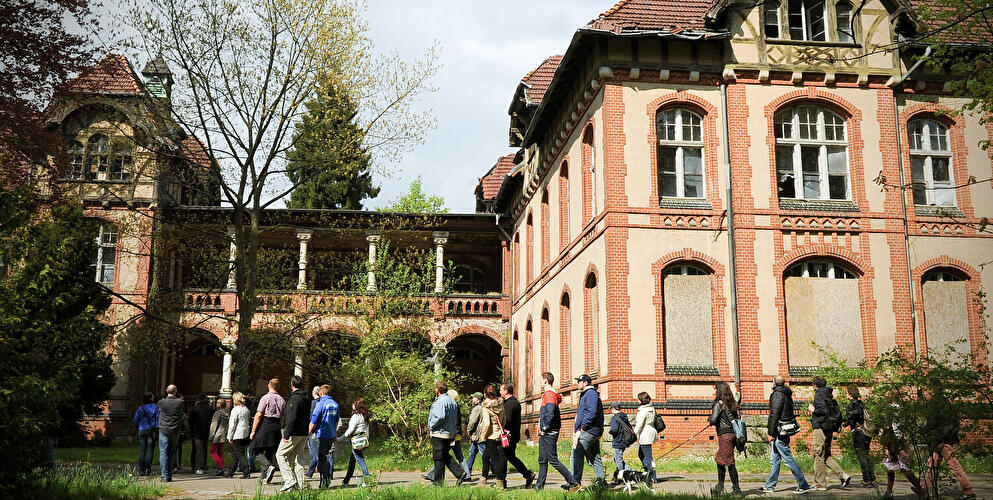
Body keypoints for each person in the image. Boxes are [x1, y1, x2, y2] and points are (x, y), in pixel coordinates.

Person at [760, 375, 811, 494]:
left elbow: (775, 414)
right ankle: (769, 486)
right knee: (775, 459)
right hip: (784, 429)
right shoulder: (787, 393)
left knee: (787, 458)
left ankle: (803, 484)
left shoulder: (777, 395)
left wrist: (770, 432)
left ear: (774, 383)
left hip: (779, 431)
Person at [922, 386, 975, 500]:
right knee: (932, 464)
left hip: (942, 440)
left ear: (933, 390)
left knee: (953, 465)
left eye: (927, 389)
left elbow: (933, 422)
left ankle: (968, 491)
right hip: (941, 439)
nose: (925, 392)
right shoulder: (945, 402)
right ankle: (923, 489)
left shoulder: (936, 403)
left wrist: (923, 430)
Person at [534, 372, 581, 492]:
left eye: (541, 380)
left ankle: (574, 483)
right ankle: (539, 488)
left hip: (549, 433)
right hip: (545, 432)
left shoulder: (550, 395)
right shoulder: (548, 394)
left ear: (545, 381)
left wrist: (545, 428)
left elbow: (550, 414)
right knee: (542, 460)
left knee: (553, 460)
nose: (540, 382)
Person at [808, 376, 852, 490]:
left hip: (820, 428)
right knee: (826, 455)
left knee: (818, 455)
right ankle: (843, 475)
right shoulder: (828, 394)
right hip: (829, 427)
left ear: (815, 385)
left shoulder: (818, 394)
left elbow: (823, 410)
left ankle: (820, 484)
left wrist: (813, 410)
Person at [427, 381, 469, 486]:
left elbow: (440, 416)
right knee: (444, 456)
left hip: (439, 433)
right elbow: (456, 419)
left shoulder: (441, 401)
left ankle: (438, 483)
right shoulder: (452, 402)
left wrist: (431, 425)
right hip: (450, 433)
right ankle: (460, 473)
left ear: (438, 390)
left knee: (438, 458)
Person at [880, 395, 922, 498]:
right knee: (903, 467)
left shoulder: (890, 408)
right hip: (902, 439)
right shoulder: (903, 409)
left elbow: (888, 426)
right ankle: (920, 490)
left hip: (893, 440)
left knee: (893, 467)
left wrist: (885, 440)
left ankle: (889, 493)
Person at [276, 375, 311, 492]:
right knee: (299, 459)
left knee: (280, 454)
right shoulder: (306, 397)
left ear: (292, 384)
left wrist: (286, 434)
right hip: (303, 432)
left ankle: (289, 480)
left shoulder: (295, 398)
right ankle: (301, 485)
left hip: (294, 432)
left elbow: (291, 417)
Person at [708, 382, 741, 496]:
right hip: (733, 434)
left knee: (729, 462)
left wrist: (710, 419)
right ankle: (720, 486)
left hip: (725, 436)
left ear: (719, 391)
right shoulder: (731, 403)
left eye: (716, 389)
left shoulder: (719, 404)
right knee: (720, 460)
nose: (715, 392)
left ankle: (736, 490)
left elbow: (713, 419)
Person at [570, 374, 605, 485]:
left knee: (576, 454)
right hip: (593, 430)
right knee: (595, 457)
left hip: (589, 430)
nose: (577, 383)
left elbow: (592, 412)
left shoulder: (590, 394)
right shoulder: (588, 394)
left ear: (585, 383)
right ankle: (601, 483)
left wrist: (583, 427)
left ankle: (575, 483)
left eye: (579, 381)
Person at [501, 383, 535, 487]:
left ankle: (502, 482)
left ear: (506, 391)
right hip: (513, 435)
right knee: (511, 457)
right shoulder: (514, 402)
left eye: (501, 390)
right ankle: (528, 474)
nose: (500, 392)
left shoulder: (509, 404)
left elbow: (507, 420)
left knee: (503, 457)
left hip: (508, 436)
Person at [250, 378, 284, 484]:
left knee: (254, 449)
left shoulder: (265, 398)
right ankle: (264, 478)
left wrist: (253, 431)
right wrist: (279, 427)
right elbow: (283, 417)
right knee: (269, 452)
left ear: (269, 385)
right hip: (276, 427)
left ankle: (268, 468)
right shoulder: (282, 400)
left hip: (266, 425)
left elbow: (259, 414)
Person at [844, 385, 876, 488]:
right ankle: (873, 480)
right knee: (867, 456)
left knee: (862, 457)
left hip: (858, 433)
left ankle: (866, 481)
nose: (846, 395)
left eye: (846, 393)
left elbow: (851, 418)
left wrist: (844, 423)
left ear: (851, 394)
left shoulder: (852, 406)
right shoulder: (863, 404)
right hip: (867, 432)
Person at [309, 384, 340, 488]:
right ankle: (327, 479)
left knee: (321, 458)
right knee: (327, 456)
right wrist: (335, 433)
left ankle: (325, 480)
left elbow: (314, 419)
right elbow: (336, 421)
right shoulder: (335, 404)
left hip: (322, 434)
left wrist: (308, 433)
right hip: (331, 434)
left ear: (321, 393)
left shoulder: (321, 403)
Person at [480, 384, 508, 489]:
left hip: (490, 436)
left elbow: (486, 424)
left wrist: (483, 436)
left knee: (495, 460)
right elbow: (504, 420)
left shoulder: (486, 407)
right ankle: (483, 480)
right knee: (485, 457)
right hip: (499, 435)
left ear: (485, 394)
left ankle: (500, 483)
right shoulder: (501, 404)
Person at [339, 397, 371, 486]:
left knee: (360, 460)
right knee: (352, 461)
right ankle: (346, 481)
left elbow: (350, 430)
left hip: (356, 441)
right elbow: (367, 429)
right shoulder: (365, 416)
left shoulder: (356, 416)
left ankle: (367, 479)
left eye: (353, 404)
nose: (352, 405)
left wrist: (340, 438)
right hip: (363, 440)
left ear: (357, 405)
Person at [157, 384, 185, 482]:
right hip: (175, 430)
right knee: (172, 452)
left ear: (166, 390)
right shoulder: (180, 402)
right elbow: (182, 416)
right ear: (175, 391)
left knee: (164, 452)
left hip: (163, 429)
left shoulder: (161, 402)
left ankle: (164, 475)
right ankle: (169, 475)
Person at [632, 391, 659, 486]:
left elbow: (639, 425)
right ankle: (648, 474)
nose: (637, 400)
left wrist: (634, 435)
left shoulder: (643, 410)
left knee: (647, 457)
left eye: (638, 398)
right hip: (651, 431)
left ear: (641, 400)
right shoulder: (651, 408)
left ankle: (652, 476)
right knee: (642, 454)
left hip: (645, 434)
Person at [226, 392, 252, 478]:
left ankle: (246, 472)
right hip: (245, 433)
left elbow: (232, 424)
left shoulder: (235, 410)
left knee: (240, 454)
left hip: (237, 434)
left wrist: (229, 436)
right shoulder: (246, 409)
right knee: (236, 454)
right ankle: (230, 472)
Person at [133, 392, 159, 477]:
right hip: (151, 431)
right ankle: (148, 470)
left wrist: (139, 426)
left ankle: (141, 470)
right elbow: (158, 419)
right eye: (152, 397)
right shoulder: (155, 407)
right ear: (151, 398)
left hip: (142, 430)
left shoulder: (140, 408)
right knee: (150, 450)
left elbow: (135, 420)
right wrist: (156, 427)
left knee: (142, 450)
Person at [463, 392, 487, 482]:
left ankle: (496, 470)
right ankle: (467, 471)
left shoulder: (477, 408)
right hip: (478, 435)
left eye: (473, 397)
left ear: (477, 399)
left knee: (484, 454)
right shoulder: (483, 407)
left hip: (477, 435)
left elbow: (472, 422)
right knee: (472, 452)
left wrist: (469, 431)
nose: (472, 399)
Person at [607, 401, 632, 483]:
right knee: (617, 458)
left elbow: (614, 430)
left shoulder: (615, 418)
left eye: (611, 408)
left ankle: (623, 476)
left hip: (618, 441)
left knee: (618, 459)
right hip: (625, 441)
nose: (611, 410)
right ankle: (628, 471)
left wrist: (610, 431)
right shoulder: (624, 416)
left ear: (613, 408)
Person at [189, 392, 212, 475]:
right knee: (204, 448)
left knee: (196, 449)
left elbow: (190, 421)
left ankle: (196, 465)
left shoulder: (195, 409)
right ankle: (203, 464)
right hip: (206, 431)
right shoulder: (209, 409)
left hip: (196, 432)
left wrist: (191, 431)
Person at [208, 398, 230, 476]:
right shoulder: (226, 413)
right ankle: (221, 468)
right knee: (220, 452)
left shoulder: (217, 413)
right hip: (223, 434)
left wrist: (211, 436)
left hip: (217, 435)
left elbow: (214, 425)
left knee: (212, 451)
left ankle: (221, 467)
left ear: (219, 404)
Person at [306, 386, 321, 478]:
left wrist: (308, 431)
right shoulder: (324, 402)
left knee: (313, 452)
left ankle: (310, 471)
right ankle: (318, 468)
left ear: (315, 392)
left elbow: (313, 418)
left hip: (314, 430)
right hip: (322, 430)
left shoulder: (314, 402)